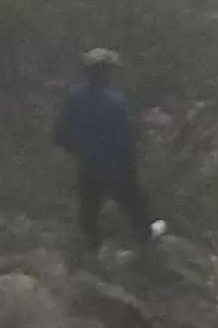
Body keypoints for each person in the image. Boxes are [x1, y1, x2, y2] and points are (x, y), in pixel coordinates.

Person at [53, 48, 163, 257]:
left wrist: (73, 148)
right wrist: (131, 160)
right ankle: (147, 245)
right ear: (105, 72)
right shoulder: (115, 102)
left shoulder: (75, 96)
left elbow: (62, 131)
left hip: (88, 164)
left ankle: (90, 250)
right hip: (117, 166)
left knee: (89, 209)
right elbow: (126, 137)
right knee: (135, 206)